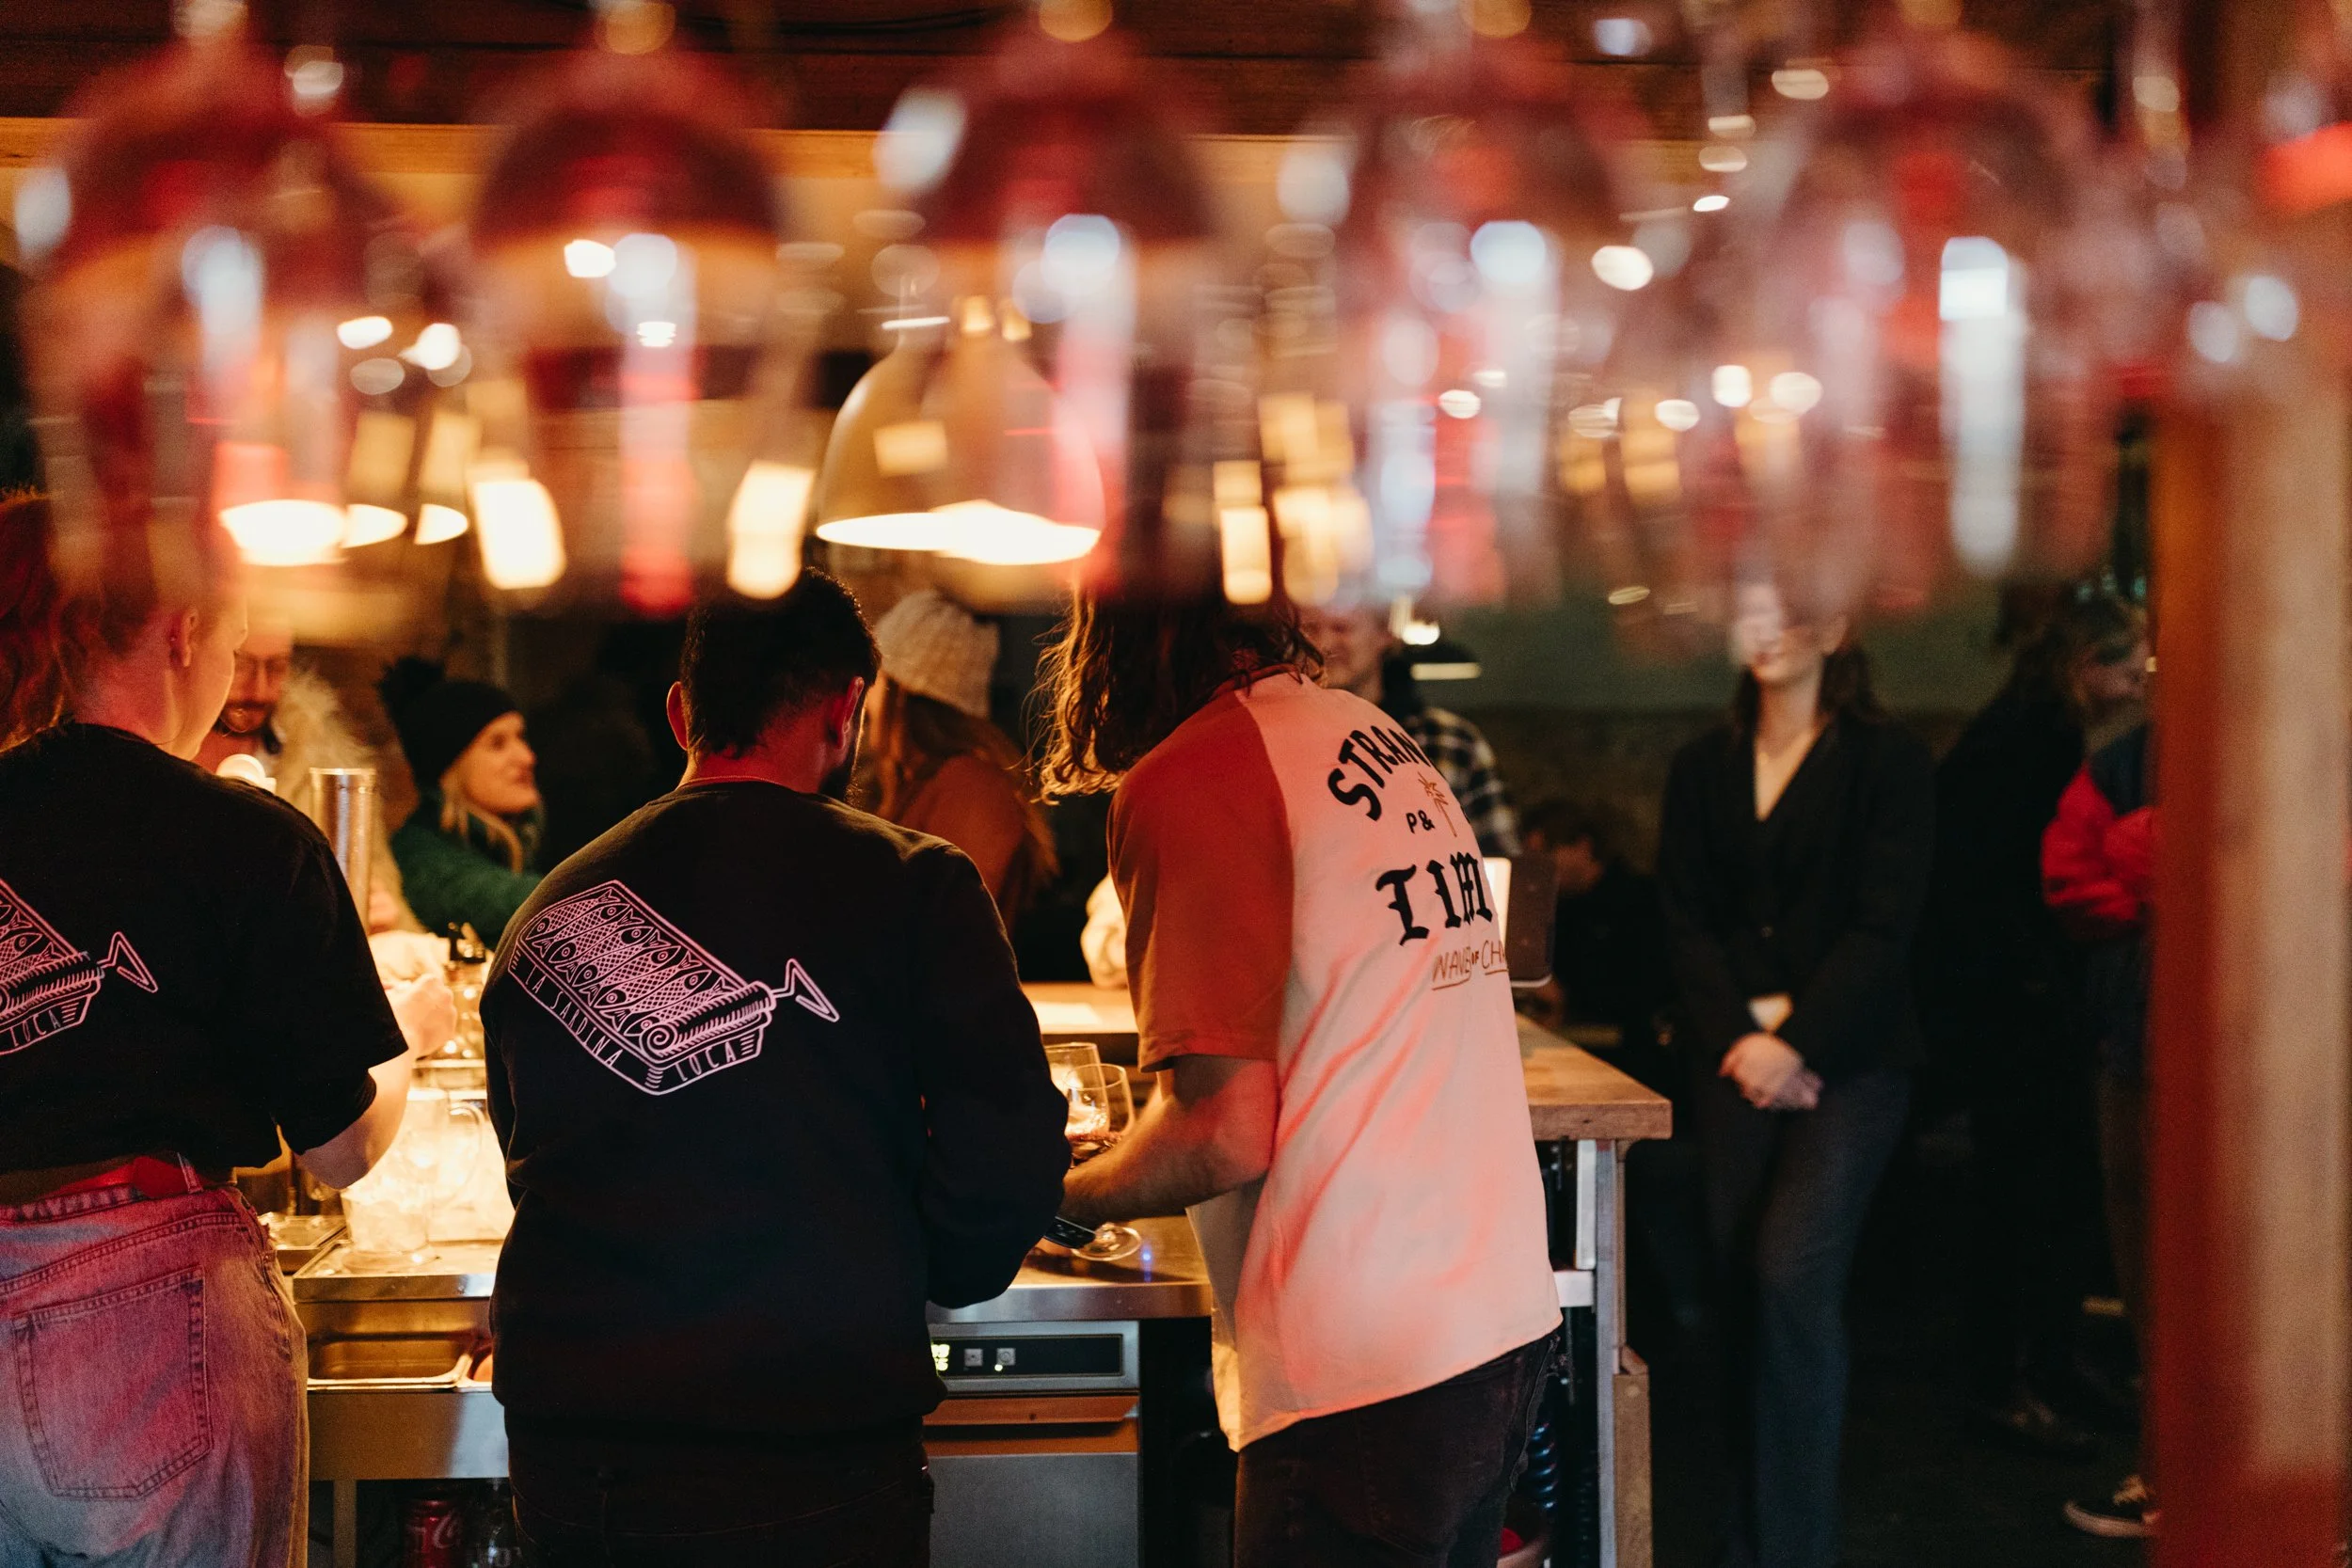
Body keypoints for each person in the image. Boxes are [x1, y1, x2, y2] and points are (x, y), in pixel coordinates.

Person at [480, 570, 1068, 1566]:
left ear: (681, 714)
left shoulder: (548, 910)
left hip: (574, 1466)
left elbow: (527, 1149)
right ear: (847, 708)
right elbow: (1005, 1162)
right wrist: (914, 1261)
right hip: (806, 1451)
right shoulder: (917, 884)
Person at [1042, 592, 1562, 1568]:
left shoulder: (1193, 771)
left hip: (1359, 1366)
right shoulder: (1372, 734)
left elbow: (1221, 1130)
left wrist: (1057, 1192)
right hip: (1497, 1319)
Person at [0, 496, 423, 1567]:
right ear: (185, 632)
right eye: (234, 643)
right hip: (146, 1317)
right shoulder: (241, 837)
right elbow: (340, 1147)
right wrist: (409, 1040)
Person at [1657, 580, 1935, 1568]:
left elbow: (1886, 925)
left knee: (1789, 1277)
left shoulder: (1889, 759)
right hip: (1732, 1059)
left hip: (1849, 1064)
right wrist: (1742, 1038)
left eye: (1787, 605)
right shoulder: (1702, 763)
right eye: (1749, 605)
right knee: (1738, 1289)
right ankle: (1747, 1541)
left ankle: (1794, 1547)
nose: (1766, 626)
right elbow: (1683, 919)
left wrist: (1797, 1042)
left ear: (1836, 624)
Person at [1916, 592, 2148, 1457]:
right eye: (2131, 669)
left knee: (2034, 1191)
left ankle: (2040, 1366)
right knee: (2029, 1194)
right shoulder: (2037, 742)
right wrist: (2053, 982)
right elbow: (2011, 884)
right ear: (2087, 666)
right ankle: (2013, 1378)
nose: (2140, 685)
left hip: (2001, 996)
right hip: (2015, 1004)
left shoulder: (2017, 727)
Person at [2042, 719, 2156, 1540]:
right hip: (2134, 1039)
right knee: (2145, 1262)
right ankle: (2168, 1470)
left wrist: (2142, 848)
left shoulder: (2305, 735)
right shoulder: (2125, 758)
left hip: (2270, 1059)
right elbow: (2069, 878)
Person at [191, 609, 417, 932]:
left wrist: (381, 916)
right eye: (240, 665)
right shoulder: (160, 755)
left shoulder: (324, 759)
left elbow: (382, 895)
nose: (259, 690)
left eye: (276, 667)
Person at [866, 590, 1058, 923]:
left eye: (875, 676)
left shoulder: (972, 788)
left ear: (901, 690)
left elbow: (946, 926)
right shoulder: (926, 782)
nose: (866, 696)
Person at [1296, 601, 1521, 855]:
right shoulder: (1285, 739)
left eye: (1342, 628)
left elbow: (1498, 859)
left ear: (1385, 633)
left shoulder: (1451, 741)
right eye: (1310, 629)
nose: (1324, 643)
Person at [381, 658, 546, 944]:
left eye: (521, 737)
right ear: (451, 768)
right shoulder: (421, 858)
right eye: (497, 744)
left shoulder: (511, 842)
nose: (527, 757)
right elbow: (536, 901)